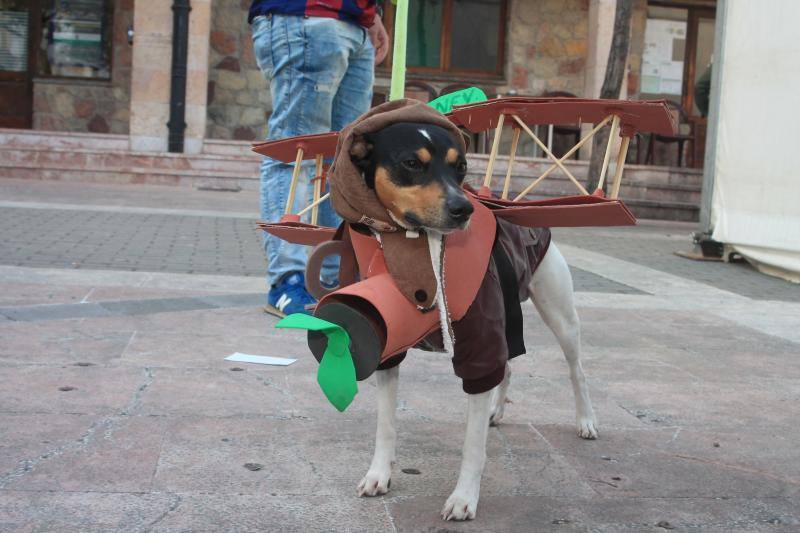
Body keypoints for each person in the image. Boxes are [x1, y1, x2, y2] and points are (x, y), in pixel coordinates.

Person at [249, 1, 389, 315]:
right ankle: (289, 279)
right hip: (306, 16)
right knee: (294, 152)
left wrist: (372, 12)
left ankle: (333, 277)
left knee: (345, 160)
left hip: (356, 23)